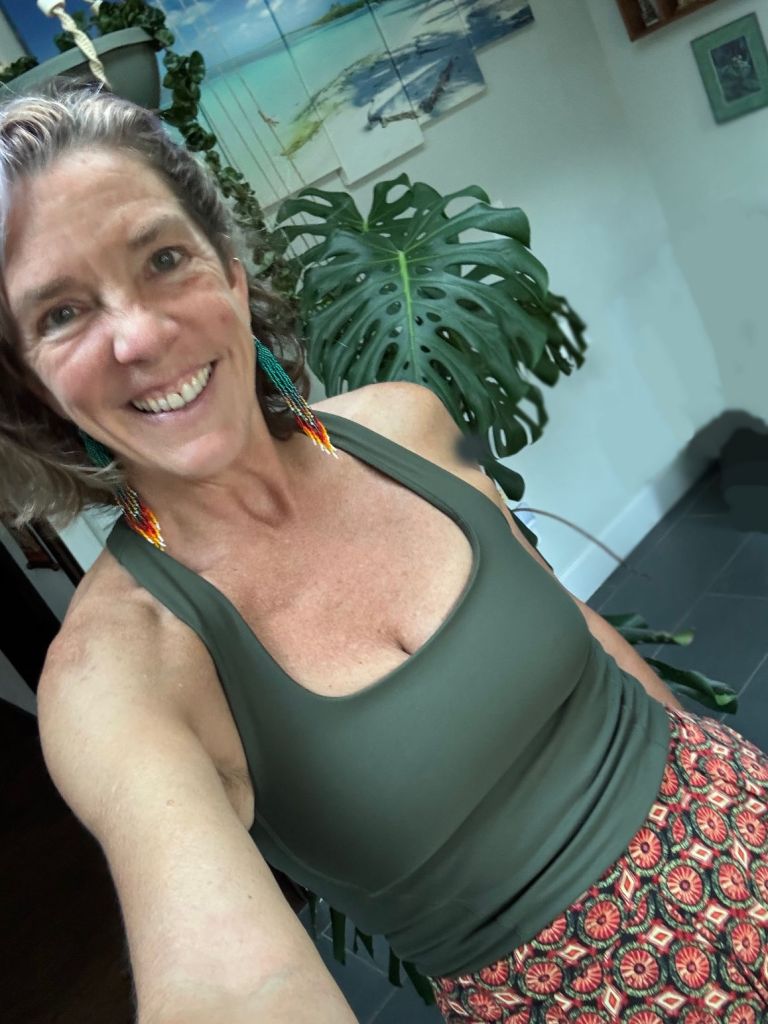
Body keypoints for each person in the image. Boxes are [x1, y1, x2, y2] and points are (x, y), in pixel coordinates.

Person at [0, 81, 766, 1024]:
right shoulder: (117, 674)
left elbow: (571, 626)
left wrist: (706, 766)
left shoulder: (409, 424)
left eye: (164, 259)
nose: (142, 334)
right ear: (31, 387)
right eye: (62, 313)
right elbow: (231, 986)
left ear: (230, 275)